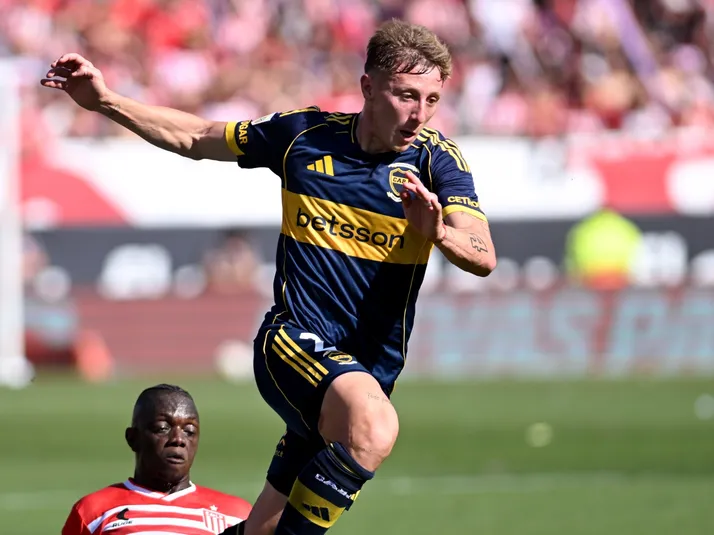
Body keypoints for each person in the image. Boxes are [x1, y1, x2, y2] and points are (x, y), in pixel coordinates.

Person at [43, 19, 497, 535]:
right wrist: (105, 101)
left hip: (366, 372)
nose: (419, 114)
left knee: (263, 528)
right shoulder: (304, 137)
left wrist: (438, 232)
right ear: (368, 87)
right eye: (406, 95)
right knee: (375, 427)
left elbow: (482, 255)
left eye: (432, 99)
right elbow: (198, 136)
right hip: (294, 342)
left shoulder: (437, 161)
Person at [61, 384, 252, 534]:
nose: (178, 439)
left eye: (189, 431)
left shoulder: (237, 516)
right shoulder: (92, 512)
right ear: (133, 438)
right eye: (162, 428)